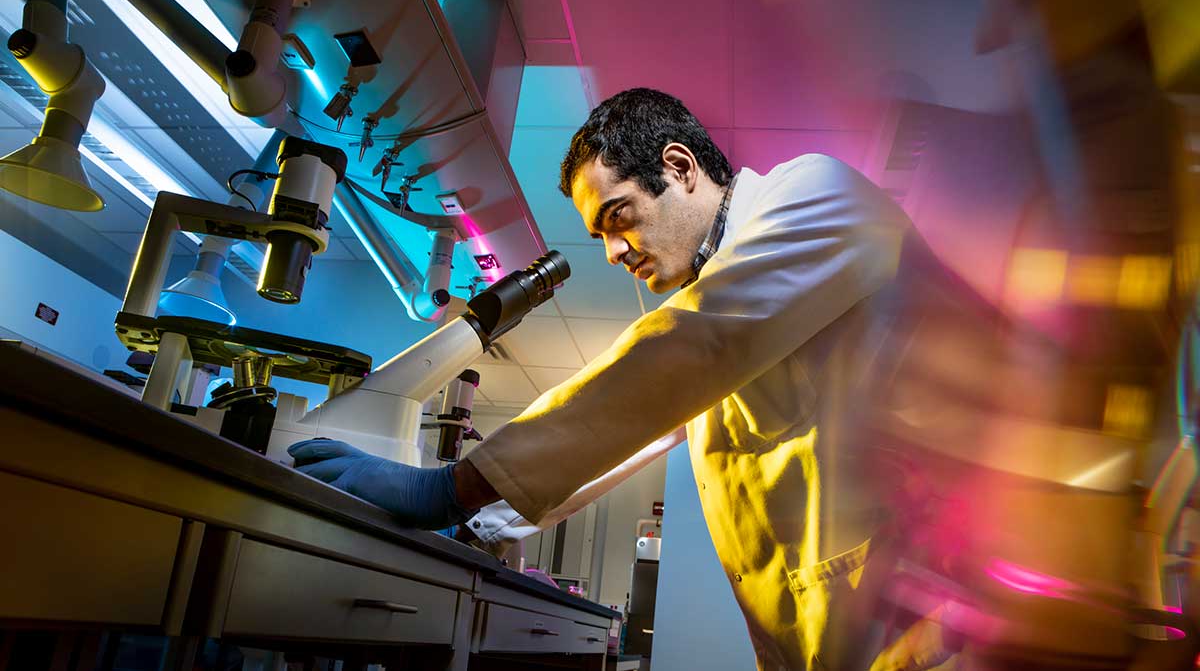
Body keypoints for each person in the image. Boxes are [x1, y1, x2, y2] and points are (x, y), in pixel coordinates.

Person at [288, 88, 946, 670]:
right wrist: (476, 521)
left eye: (618, 217)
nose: (612, 251)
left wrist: (449, 489)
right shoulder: (715, 310)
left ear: (679, 167)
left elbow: (694, 344)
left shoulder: (814, 195)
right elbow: (624, 439)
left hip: (930, 630)